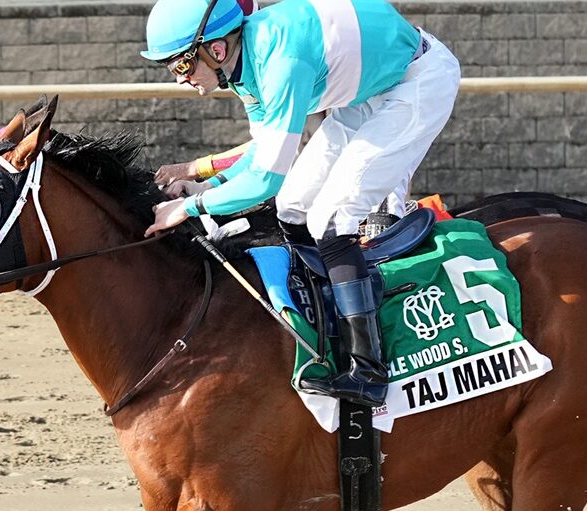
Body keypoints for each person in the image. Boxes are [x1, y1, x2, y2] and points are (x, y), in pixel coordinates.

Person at [141, 0, 461, 408]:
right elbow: (266, 156)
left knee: (332, 220)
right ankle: (329, 318)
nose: (179, 80)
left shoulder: (279, 62)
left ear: (216, 50)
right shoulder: (244, 67)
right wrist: (205, 185)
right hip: (366, 93)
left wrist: (190, 208)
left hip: (415, 85)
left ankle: (368, 371)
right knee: (293, 206)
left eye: (181, 66)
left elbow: (263, 181)